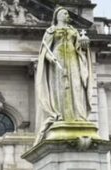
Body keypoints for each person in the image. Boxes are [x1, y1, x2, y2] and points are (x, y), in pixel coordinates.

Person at [35, 6, 92, 140]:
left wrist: (84, 43)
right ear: (57, 16)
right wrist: (51, 59)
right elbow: (45, 50)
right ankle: (60, 115)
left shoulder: (74, 30)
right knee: (59, 89)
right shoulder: (51, 31)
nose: (66, 15)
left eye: (67, 13)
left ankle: (78, 116)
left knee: (76, 87)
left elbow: (81, 48)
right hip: (58, 61)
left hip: (73, 59)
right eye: (63, 13)